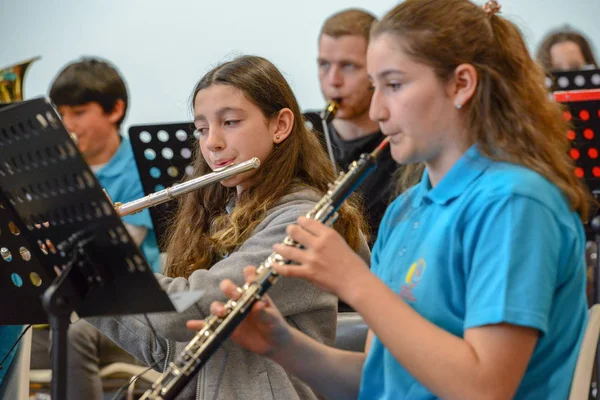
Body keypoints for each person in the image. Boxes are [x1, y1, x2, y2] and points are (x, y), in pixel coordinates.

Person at [196, 1, 591, 399]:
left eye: (394, 85)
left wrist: (355, 282)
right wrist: (283, 347)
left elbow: (485, 388)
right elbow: (380, 378)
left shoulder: (516, 203)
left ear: (461, 84)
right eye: (375, 85)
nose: (377, 109)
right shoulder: (407, 210)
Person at [87, 55, 370, 399]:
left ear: (280, 125)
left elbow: (190, 309)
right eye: (202, 129)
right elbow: (168, 351)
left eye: (231, 122)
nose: (212, 143)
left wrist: (109, 258)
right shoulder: (224, 215)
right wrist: (81, 279)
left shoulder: (304, 222)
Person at [30, 58, 161, 400]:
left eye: (78, 112)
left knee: (73, 336)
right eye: (61, 114)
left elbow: (112, 255)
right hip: (67, 304)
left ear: (115, 110)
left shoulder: (139, 168)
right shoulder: (55, 171)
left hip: (128, 307)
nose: (67, 124)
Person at [304, 9, 400, 245]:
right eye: (324, 64)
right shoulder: (303, 134)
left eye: (348, 66)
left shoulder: (403, 145)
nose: (333, 80)